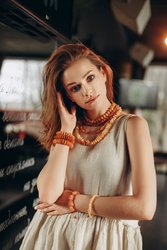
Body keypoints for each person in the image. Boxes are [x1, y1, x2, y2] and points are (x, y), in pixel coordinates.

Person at [20, 43, 157, 250]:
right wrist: (66, 129)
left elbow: (145, 208)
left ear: (103, 73)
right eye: (75, 87)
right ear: (68, 96)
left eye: (90, 78)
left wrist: (76, 202)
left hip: (105, 240)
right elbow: (48, 196)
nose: (87, 91)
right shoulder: (68, 130)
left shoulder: (133, 126)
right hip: (54, 237)